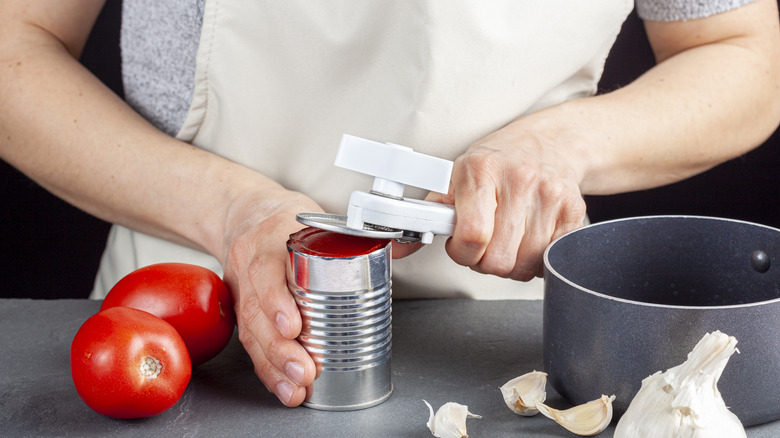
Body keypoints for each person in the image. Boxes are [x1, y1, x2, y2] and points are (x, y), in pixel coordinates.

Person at [1, 0, 778, 408]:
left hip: (498, 357)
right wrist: (232, 211)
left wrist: (557, 147)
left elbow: (747, 53)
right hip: (187, 344)